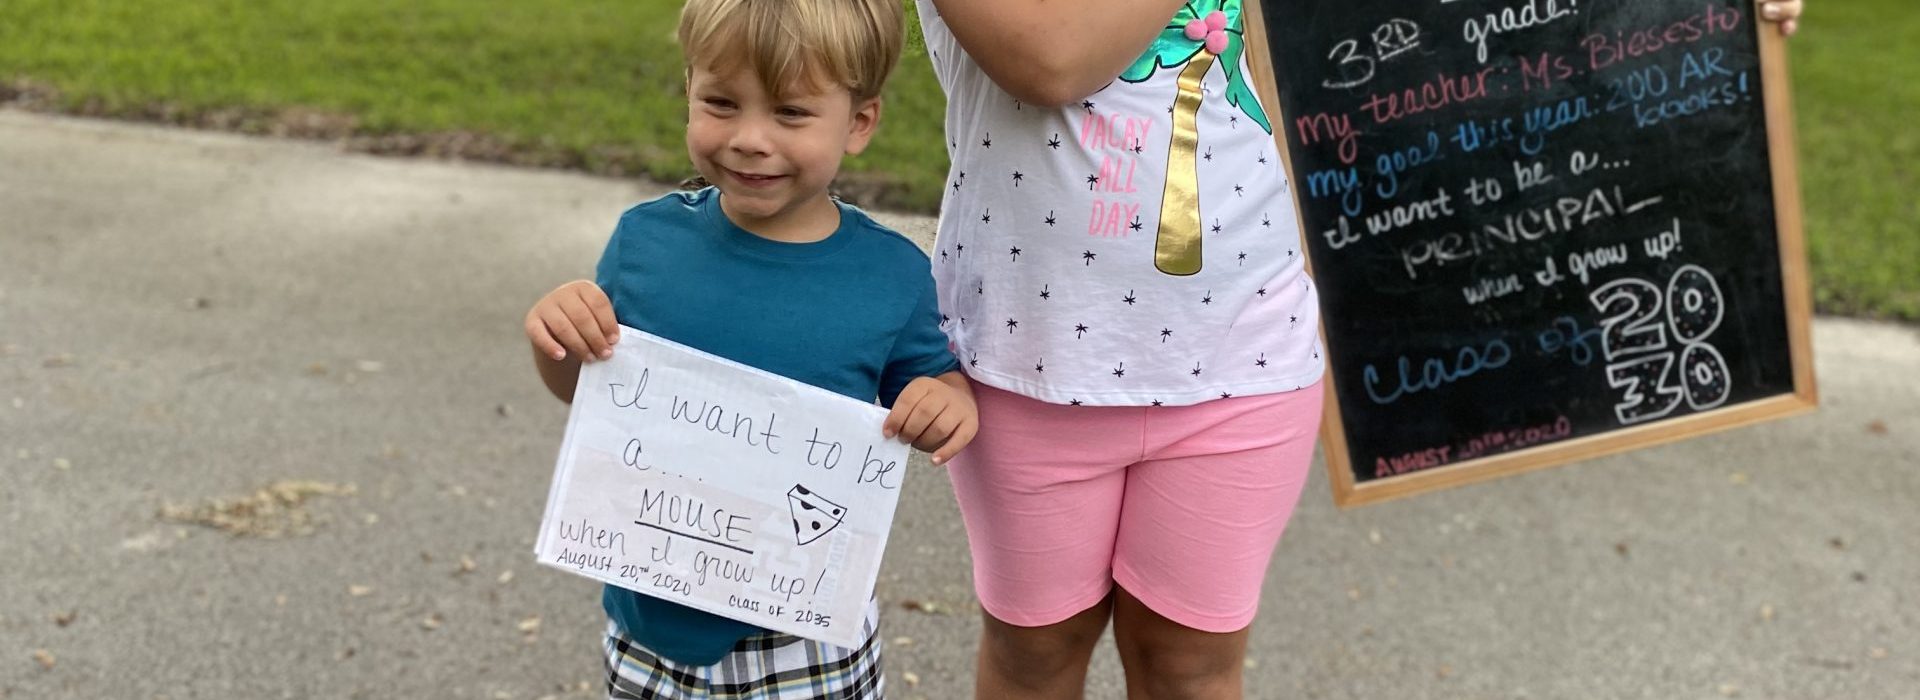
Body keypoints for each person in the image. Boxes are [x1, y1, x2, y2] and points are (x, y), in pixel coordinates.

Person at [913, 0, 1807, 698]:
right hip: (1028, 362)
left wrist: (1704, 12)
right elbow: (1049, 57)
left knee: (1189, 666)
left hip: (1243, 356)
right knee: (1036, 655)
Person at [522, 1, 976, 697]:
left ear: (859, 122)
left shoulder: (891, 276)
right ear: (689, 90)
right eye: (721, 103)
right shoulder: (645, 244)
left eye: (791, 112)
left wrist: (945, 405)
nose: (749, 139)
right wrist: (560, 338)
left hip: (805, 632)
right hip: (650, 617)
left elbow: (938, 386)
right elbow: (590, 392)